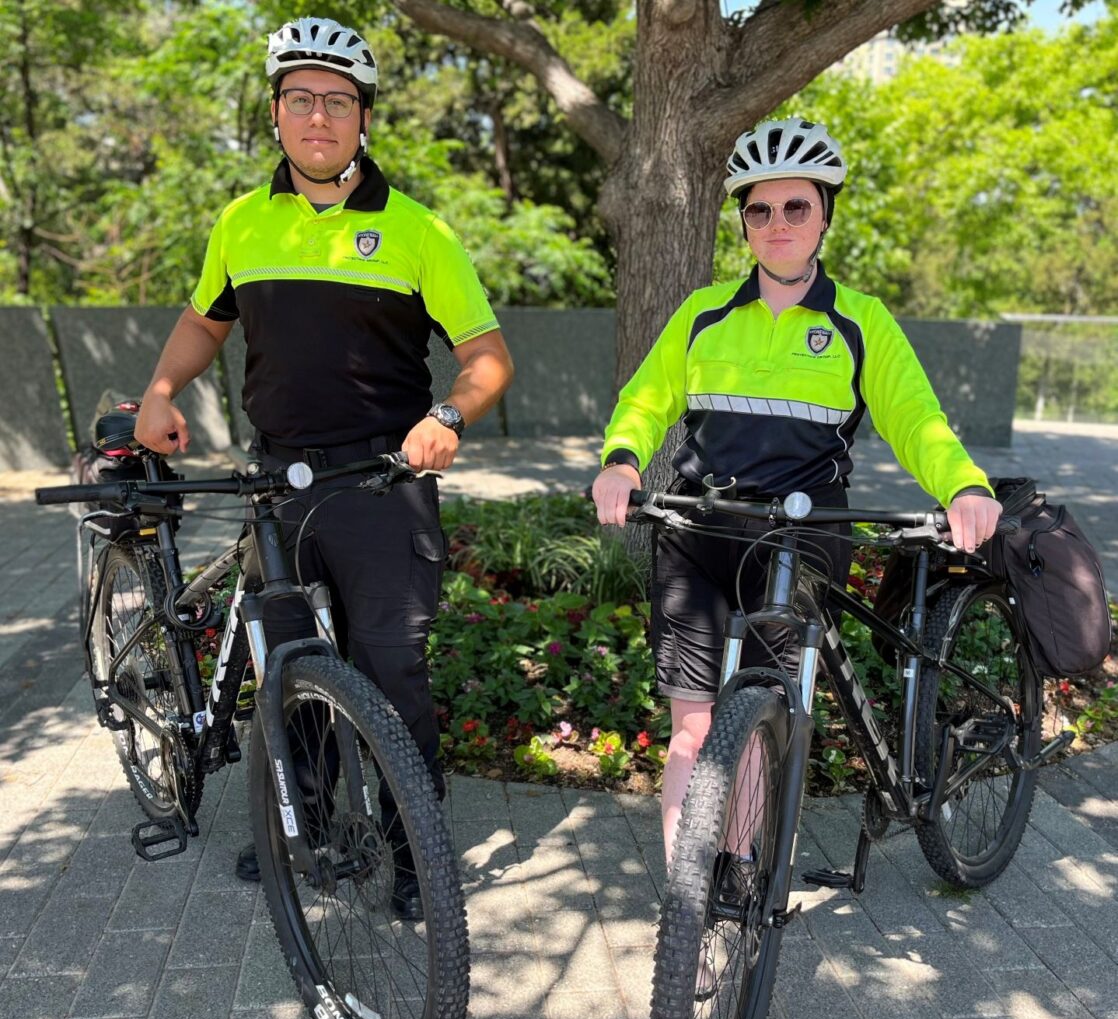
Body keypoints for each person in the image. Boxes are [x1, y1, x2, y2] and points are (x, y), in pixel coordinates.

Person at [135, 16, 514, 919]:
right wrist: (160, 389)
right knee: (287, 670)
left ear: (363, 120)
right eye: (300, 99)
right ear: (275, 115)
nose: (318, 117)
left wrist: (449, 414)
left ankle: (412, 853)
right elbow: (205, 320)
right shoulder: (240, 222)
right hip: (276, 485)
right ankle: (295, 829)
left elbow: (488, 354)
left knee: (393, 673)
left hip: (382, 485)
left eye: (337, 102)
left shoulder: (419, 230)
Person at [592, 116, 1001, 908]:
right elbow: (645, 400)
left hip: (800, 541)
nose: (776, 225)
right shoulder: (704, 313)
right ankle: (692, 904)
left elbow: (916, 420)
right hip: (695, 533)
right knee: (690, 728)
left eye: (796, 209)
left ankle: (738, 872)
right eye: (759, 210)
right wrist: (621, 459)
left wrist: (964, 486)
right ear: (742, 220)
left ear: (824, 217)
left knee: (755, 716)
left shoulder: (861, 322)